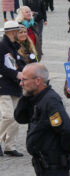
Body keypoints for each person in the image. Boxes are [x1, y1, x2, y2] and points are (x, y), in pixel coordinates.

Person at [14, 63, 70, 176]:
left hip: (54, 168)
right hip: (44, 168)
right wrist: (25, 96)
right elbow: (20, 117)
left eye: (24, 80)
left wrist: (66, 153)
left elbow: (67, 131)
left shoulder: (50, 101)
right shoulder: (36, 98)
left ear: (38, 81)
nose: (21, 83)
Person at [0, 21, 24, 157]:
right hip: (3, 85)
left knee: (15, 117)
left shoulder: (13, 46)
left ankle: (10, 146)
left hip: (14, 85)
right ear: (11, 32)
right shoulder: (2, 46)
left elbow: (15, 65)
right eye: (17, 31)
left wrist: (24, 72)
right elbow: (2, 67)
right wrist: (17, 74)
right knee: (8, 116)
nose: (19, 33)